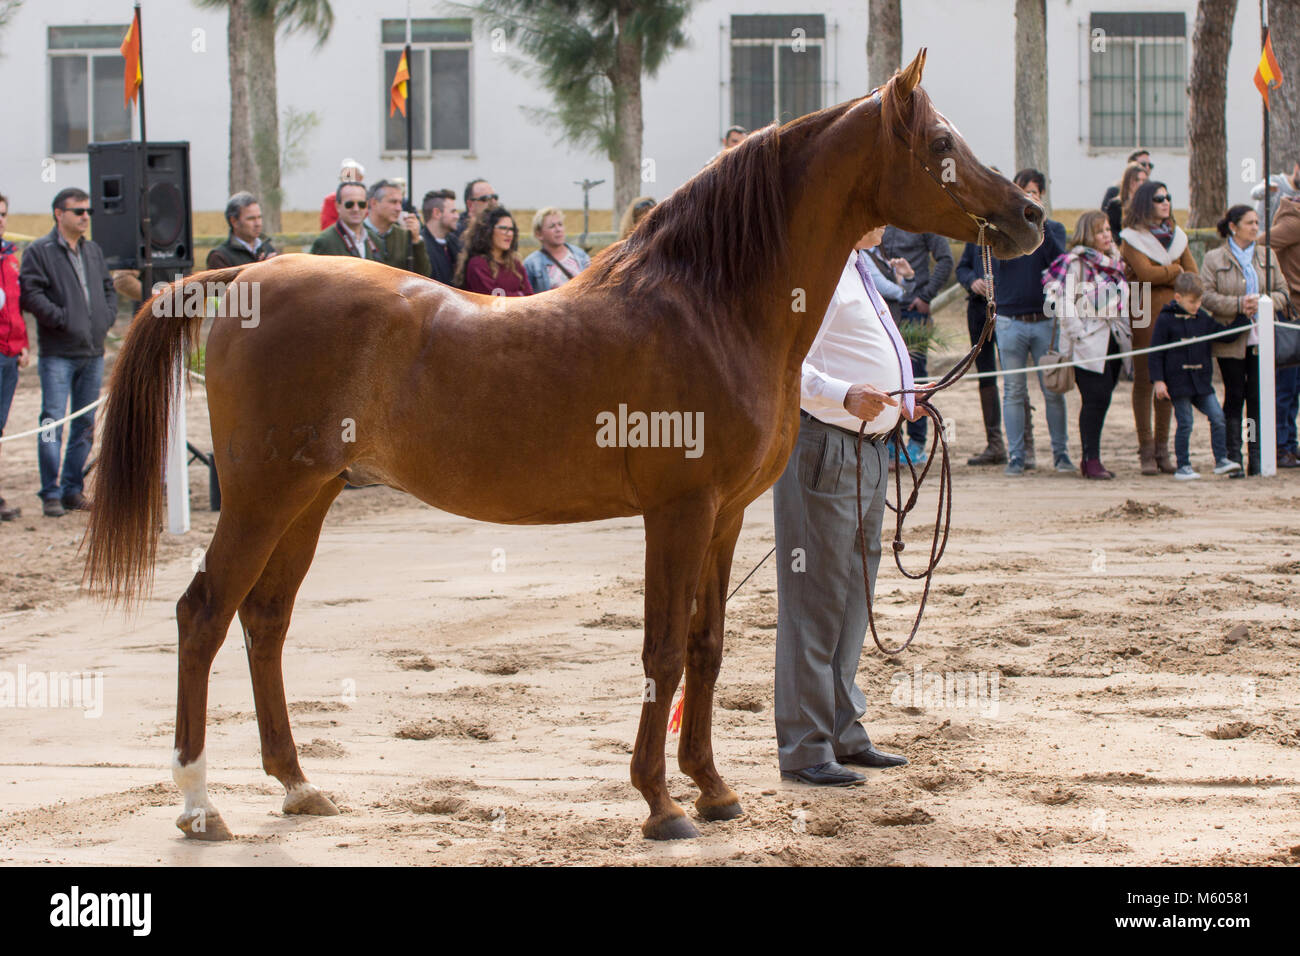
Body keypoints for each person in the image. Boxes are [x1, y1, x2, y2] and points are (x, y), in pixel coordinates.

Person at [773, 233, 925, 786]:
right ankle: (806, 746)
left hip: (867, 448)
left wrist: (906, 393)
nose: (885, 223)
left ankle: (839, 730)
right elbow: (787, 362)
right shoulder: (819, 264)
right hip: (826, 443)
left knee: (853, 595)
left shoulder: (859, 264)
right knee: (815, 598)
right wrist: (843, 395)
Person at [18, 187, 116, 517]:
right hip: (57, 353)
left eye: (88, 210)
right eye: (79, 211)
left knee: (85, 423)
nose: (86, 216)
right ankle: (50, 491)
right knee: (52, 420)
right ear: (59, 214)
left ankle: (73, 488)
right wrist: (61, 319)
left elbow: (107, 288)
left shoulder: (93, 252)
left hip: (92, 352)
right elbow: (29, 293)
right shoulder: (39, 251)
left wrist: (105, 317)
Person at [1200, 204, 1292, 474]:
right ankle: (1233, 455)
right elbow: (1206, 295)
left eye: (1256, 222)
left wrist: (1263, 302)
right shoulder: (1214, 258)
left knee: (1257, 397)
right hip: (1232, 337)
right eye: (1250, 223)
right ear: (1233, 226)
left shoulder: (1267, 255)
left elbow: (1282, 291)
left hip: (1262, 338)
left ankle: (1256, 456)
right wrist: (1239, 304)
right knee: (1235, 395)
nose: (1255, 227)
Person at [990, 169, 1069, 476]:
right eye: (1023, 191)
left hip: (1045, 321)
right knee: (1013, 391)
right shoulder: (1005, 230)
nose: (1029, 197)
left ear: (1042, 196)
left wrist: (1040, 224)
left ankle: (1061, 455)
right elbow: (994, 258)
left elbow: (1059, 262)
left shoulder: (1056, 229)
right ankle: (1016, 457)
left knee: (1053, 390)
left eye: (1034, 192)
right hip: (1010, 320)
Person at [1044, 211, 1131, 479]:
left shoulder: (1114, 263)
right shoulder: (1074, 263)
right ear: (1087, 233)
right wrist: (1078, 332)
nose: (1107, 234)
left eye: (1108, 229)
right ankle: (1090, 459)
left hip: (1114, 339)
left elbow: (1124, 299)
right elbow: (1060, 300)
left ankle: (1093, 457)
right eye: (1100, 230)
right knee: (1095, 398)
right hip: (1088, 342)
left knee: (1103, 399)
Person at [1120, 180, 1197, 475]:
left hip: (1173, 314)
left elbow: (1192, 276)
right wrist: (1174, 272)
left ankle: (1163, 449)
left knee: (1168, 380)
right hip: (1141, 309)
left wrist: (1168, 275)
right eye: (1158, 198)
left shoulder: (1178, 236)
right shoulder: (1131, 238)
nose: (1165, 202)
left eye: (1168, 197)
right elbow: (1144, 273)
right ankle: (1146, 449)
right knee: (1145, 379)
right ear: (1144, 203)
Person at [1149, 273, 1245, 479]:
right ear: (1178, 298)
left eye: (1199, 301)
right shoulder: (1165, 320)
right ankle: (1183, 466)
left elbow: (1224, 335)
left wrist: (1243, 318)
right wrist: (1158, 381)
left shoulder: (1203, 318)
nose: (1196, 305)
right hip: (1178, 383)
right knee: (1185, 423)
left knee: (1218, 418)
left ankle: (1221, 460)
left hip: (1201, 382)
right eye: (1192, 301)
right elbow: (1155, 352)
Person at [880, 225, 953, 464]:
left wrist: (926, 295)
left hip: (914, 312)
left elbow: (945, 260)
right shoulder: (883, 217)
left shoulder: (922, 220)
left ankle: (917, 443)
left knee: (916, 377)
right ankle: (891, 439)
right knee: (887, 376)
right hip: (885, 310)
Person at [955, 240, 1007, 465]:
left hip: (1008, 309)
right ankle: (995, 444)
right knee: (986, 376)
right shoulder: (976, 237)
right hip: (978, 310)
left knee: (1015, 377)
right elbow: (962, 268)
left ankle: (1023, 445)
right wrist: (971, 281)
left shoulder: (1011, 233)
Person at [0, 191, 29, 520]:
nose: (1, 220)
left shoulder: (9, 256)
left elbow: (13, 306)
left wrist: (22, 344)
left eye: (4, 214)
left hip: (8, 354)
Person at [1266, 193, 1300, 467]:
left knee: (1294, 386)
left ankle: (1290, 443)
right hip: (1291, 315)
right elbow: (1258, 242)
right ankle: (1280, 446)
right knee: (1286, 385)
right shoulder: (1293, 221)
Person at [455, 206, 533, 296]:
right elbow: (492, 300)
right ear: (488, 230)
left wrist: (512, 296)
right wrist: (519, 295)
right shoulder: (477, 264)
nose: (510, 234)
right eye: (504, 228)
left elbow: (529, 296)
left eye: (512, 229)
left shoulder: (515, 264)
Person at [363, 179, 430, 276]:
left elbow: (424, 275)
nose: (399, 208)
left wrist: (416, 241)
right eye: (393, 202)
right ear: (374, 203)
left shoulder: (404, 235)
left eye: (400, 203)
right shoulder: (357, 233)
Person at [524, 207, 590, 292]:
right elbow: (527, 296)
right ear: (539, 234)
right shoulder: (532, 264)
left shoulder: (580, 255)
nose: (558, 229)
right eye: (552, 226)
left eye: (560, 224)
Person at [309, 181, 380, 259]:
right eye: (349, 204)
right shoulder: (325, 242)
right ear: (337, 206)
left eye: (361, 204)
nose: (356, 209)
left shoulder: (375, 239)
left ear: (367, 206)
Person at [207, 192, 278, 269]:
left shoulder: (268, 248)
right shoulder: (219, 257)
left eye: (259, 217)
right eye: (251, 219)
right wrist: (260, 270)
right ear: (234, 221)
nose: (258, 223)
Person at [420, 189, 462, 287]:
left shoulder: (454, 243)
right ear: (437, 213)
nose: (457, 216)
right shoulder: (420, 247)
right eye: (453, 212)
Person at [1103, 162, 1148, 241]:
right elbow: (1112, 231)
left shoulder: (1150, 204)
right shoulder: (1116, 205)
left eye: (1143, 180)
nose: (1141, 183)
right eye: (1137, 180)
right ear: (1128, 181)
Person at [1250, 157, 1299, 227]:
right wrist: (1266, 188)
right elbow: (1254, 194)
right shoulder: (1276, 181)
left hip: (1284, 235)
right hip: (1261, 233)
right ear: (1297, 168)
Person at [320, 159, 364, 230]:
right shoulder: (331, 200)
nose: (350, 181)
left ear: (361, 178)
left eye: (353, 176)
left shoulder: (367, 200)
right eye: (346, 177)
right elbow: (327, 227)